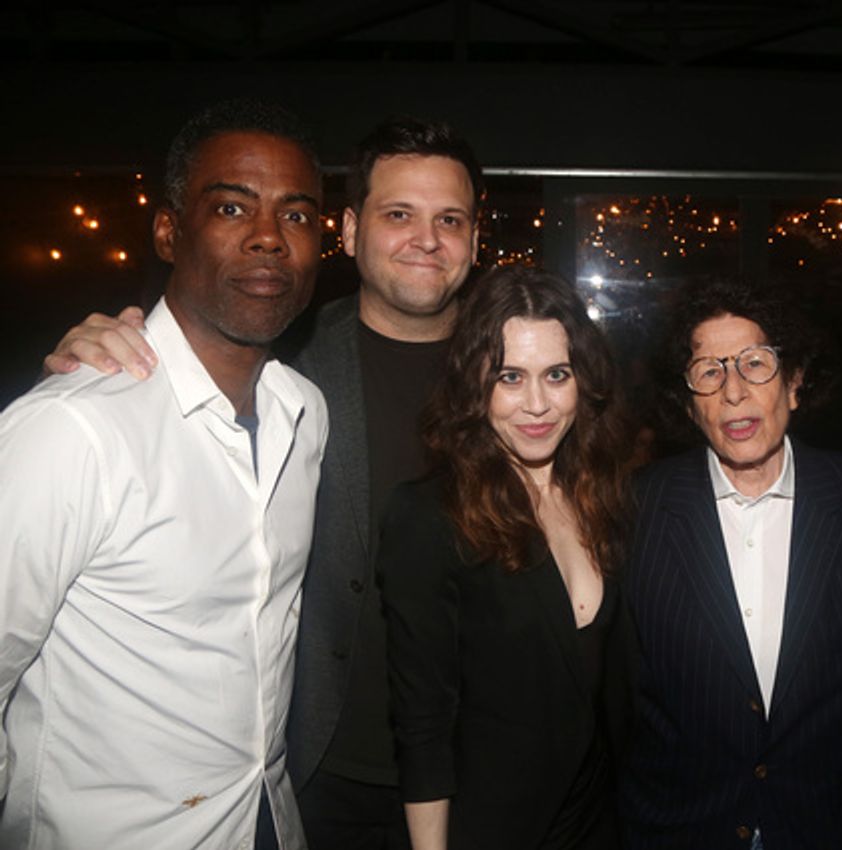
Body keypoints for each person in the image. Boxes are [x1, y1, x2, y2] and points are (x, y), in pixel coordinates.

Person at [42, 116, 485, 849]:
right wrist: (93, 359)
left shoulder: (527, 369)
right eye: (398, 214)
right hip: (311, 772)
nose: (426, 239)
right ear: (347, 228)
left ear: (474, 235)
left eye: (450, 219)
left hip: (482, 761)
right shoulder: (278, 367)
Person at [0, 100, 328, 849]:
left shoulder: (302, 415)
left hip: (264, 821)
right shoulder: (73, 430)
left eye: (298, 216)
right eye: (231, 207)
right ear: (168, 230)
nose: (270, 238)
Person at [620, 276, 842, 848]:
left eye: (755, 364)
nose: (733, 392)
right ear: (690, 407)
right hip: (681, 828)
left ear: (794, 383)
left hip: (825, 827)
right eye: (709, 372)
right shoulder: (633, 508)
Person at [377, 265, 631, 850]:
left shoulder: (602, 494)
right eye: (510, 377)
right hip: (489, 827)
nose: (538, 405)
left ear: (582, 381)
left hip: (596, 819)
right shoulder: (429, 517)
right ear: (474, 386)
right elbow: (423, 726)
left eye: (556, 375)